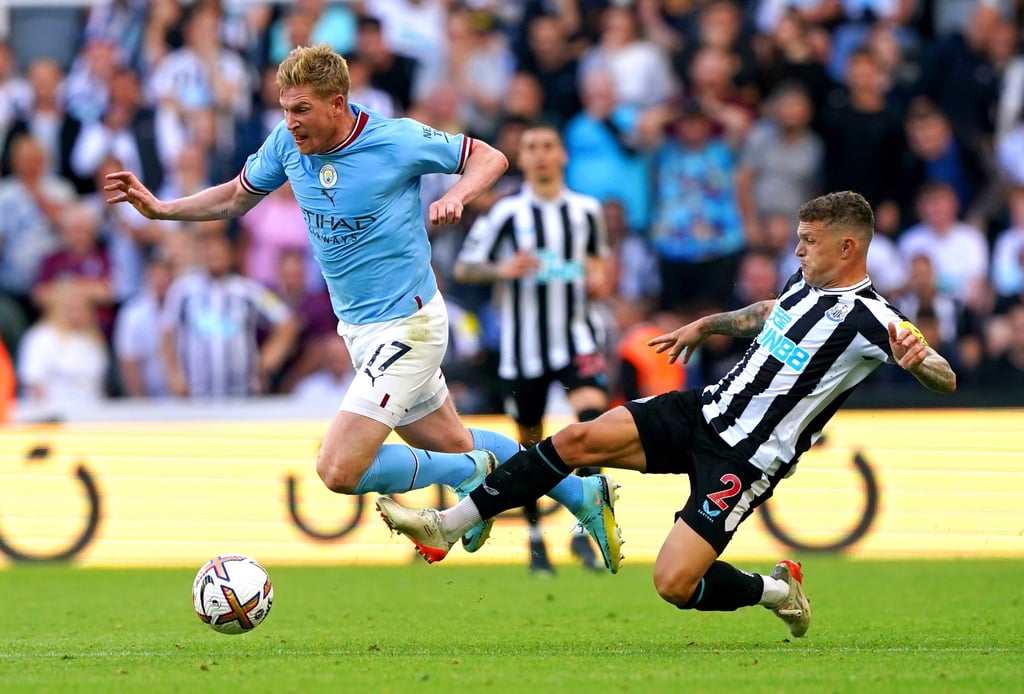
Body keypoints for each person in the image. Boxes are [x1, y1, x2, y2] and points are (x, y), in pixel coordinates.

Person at [376, 191, 958, 638]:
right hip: (704, 410)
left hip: (745, 459)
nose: (798, 250)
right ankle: (448, 525)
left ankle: (777, 592)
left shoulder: (873, 318)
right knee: (577, 439)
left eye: (808, 241)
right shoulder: (804, 282)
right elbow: (769, 311)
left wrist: (919, 361)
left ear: (848, 248)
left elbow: (943, 374)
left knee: (674, 583)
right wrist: (706, 325)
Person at [105, 44, 607, 554]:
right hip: (360, 331)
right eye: (285, 109)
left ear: (337, 103)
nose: (291, 122)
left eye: (302, 109)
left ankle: (467, 474)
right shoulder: (286, 144)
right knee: (455, 441)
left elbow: (490, 156)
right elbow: (236, 196)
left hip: (410, 325)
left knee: (338, 468)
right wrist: (163, 209)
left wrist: (456, 195)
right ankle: (581, 493)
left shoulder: (394, 139)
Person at [454, 124, 609, 575]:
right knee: (529, 445)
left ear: (562, 155)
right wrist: (503, 269)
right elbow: (465, 267)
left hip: (577, 337)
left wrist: (599, 276)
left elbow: (598, 260)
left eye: (547, 146)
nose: (540, 155)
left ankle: (583, 531)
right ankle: (536, 540)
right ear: (521, 159)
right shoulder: (507, 212)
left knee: (593, 423)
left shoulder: (586, 210)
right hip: (524, 348)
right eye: (531, 148)